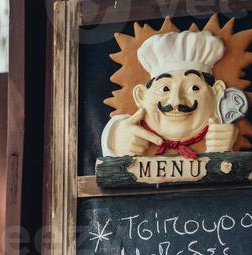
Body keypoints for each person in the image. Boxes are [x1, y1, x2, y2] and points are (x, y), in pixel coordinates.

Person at [101, 30, 237, 159]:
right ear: (141, 96)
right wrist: (114, 140)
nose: (176, 102)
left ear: (217, 92)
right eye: (164, 89)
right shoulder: (118, 134)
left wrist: (225, 154)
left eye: (193, 88)